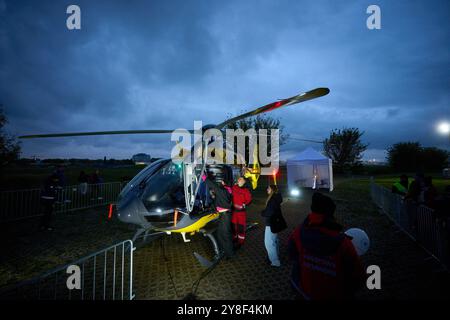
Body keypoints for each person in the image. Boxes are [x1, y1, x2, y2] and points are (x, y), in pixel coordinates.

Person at [288, 192, 365, 300]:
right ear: (330, 214)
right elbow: (358, 277)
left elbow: (292, 255)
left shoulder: (298, 233)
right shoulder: (343, 242)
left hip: (306, 293)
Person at [203, 174, 234, 259]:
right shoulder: (227, 190)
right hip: (224, 215)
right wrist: (214, 197)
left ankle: (229, 254)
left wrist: (203, 176)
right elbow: (221, 199)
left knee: (225, 235)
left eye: (220, 181)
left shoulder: (222, 190)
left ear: (223, 182)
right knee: (220, 234)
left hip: (225, 216)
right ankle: (225, 250)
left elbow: (211, 184)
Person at [261, 184, 283, 267]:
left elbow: (269, 212)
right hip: (275, 222)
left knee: (269, 243)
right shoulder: (276, 198)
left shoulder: (272, 200)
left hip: (271, 223)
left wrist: (263, 213)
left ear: (272, 190)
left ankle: (275, 261)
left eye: (269, 188)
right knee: (274, 240)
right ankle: (276, 255)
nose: (267, 189)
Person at [231, 176, 252, 249]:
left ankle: (240, 242)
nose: (239, 179)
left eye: (241, 179)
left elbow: (249, 200)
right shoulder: (234, 187)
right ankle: (234, 238)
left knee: (240, 227)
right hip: (234, 212)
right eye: (239, 178)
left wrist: (245, 203)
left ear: (244, 181)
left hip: (241, 213)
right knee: (234, 226)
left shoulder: (246, 190)